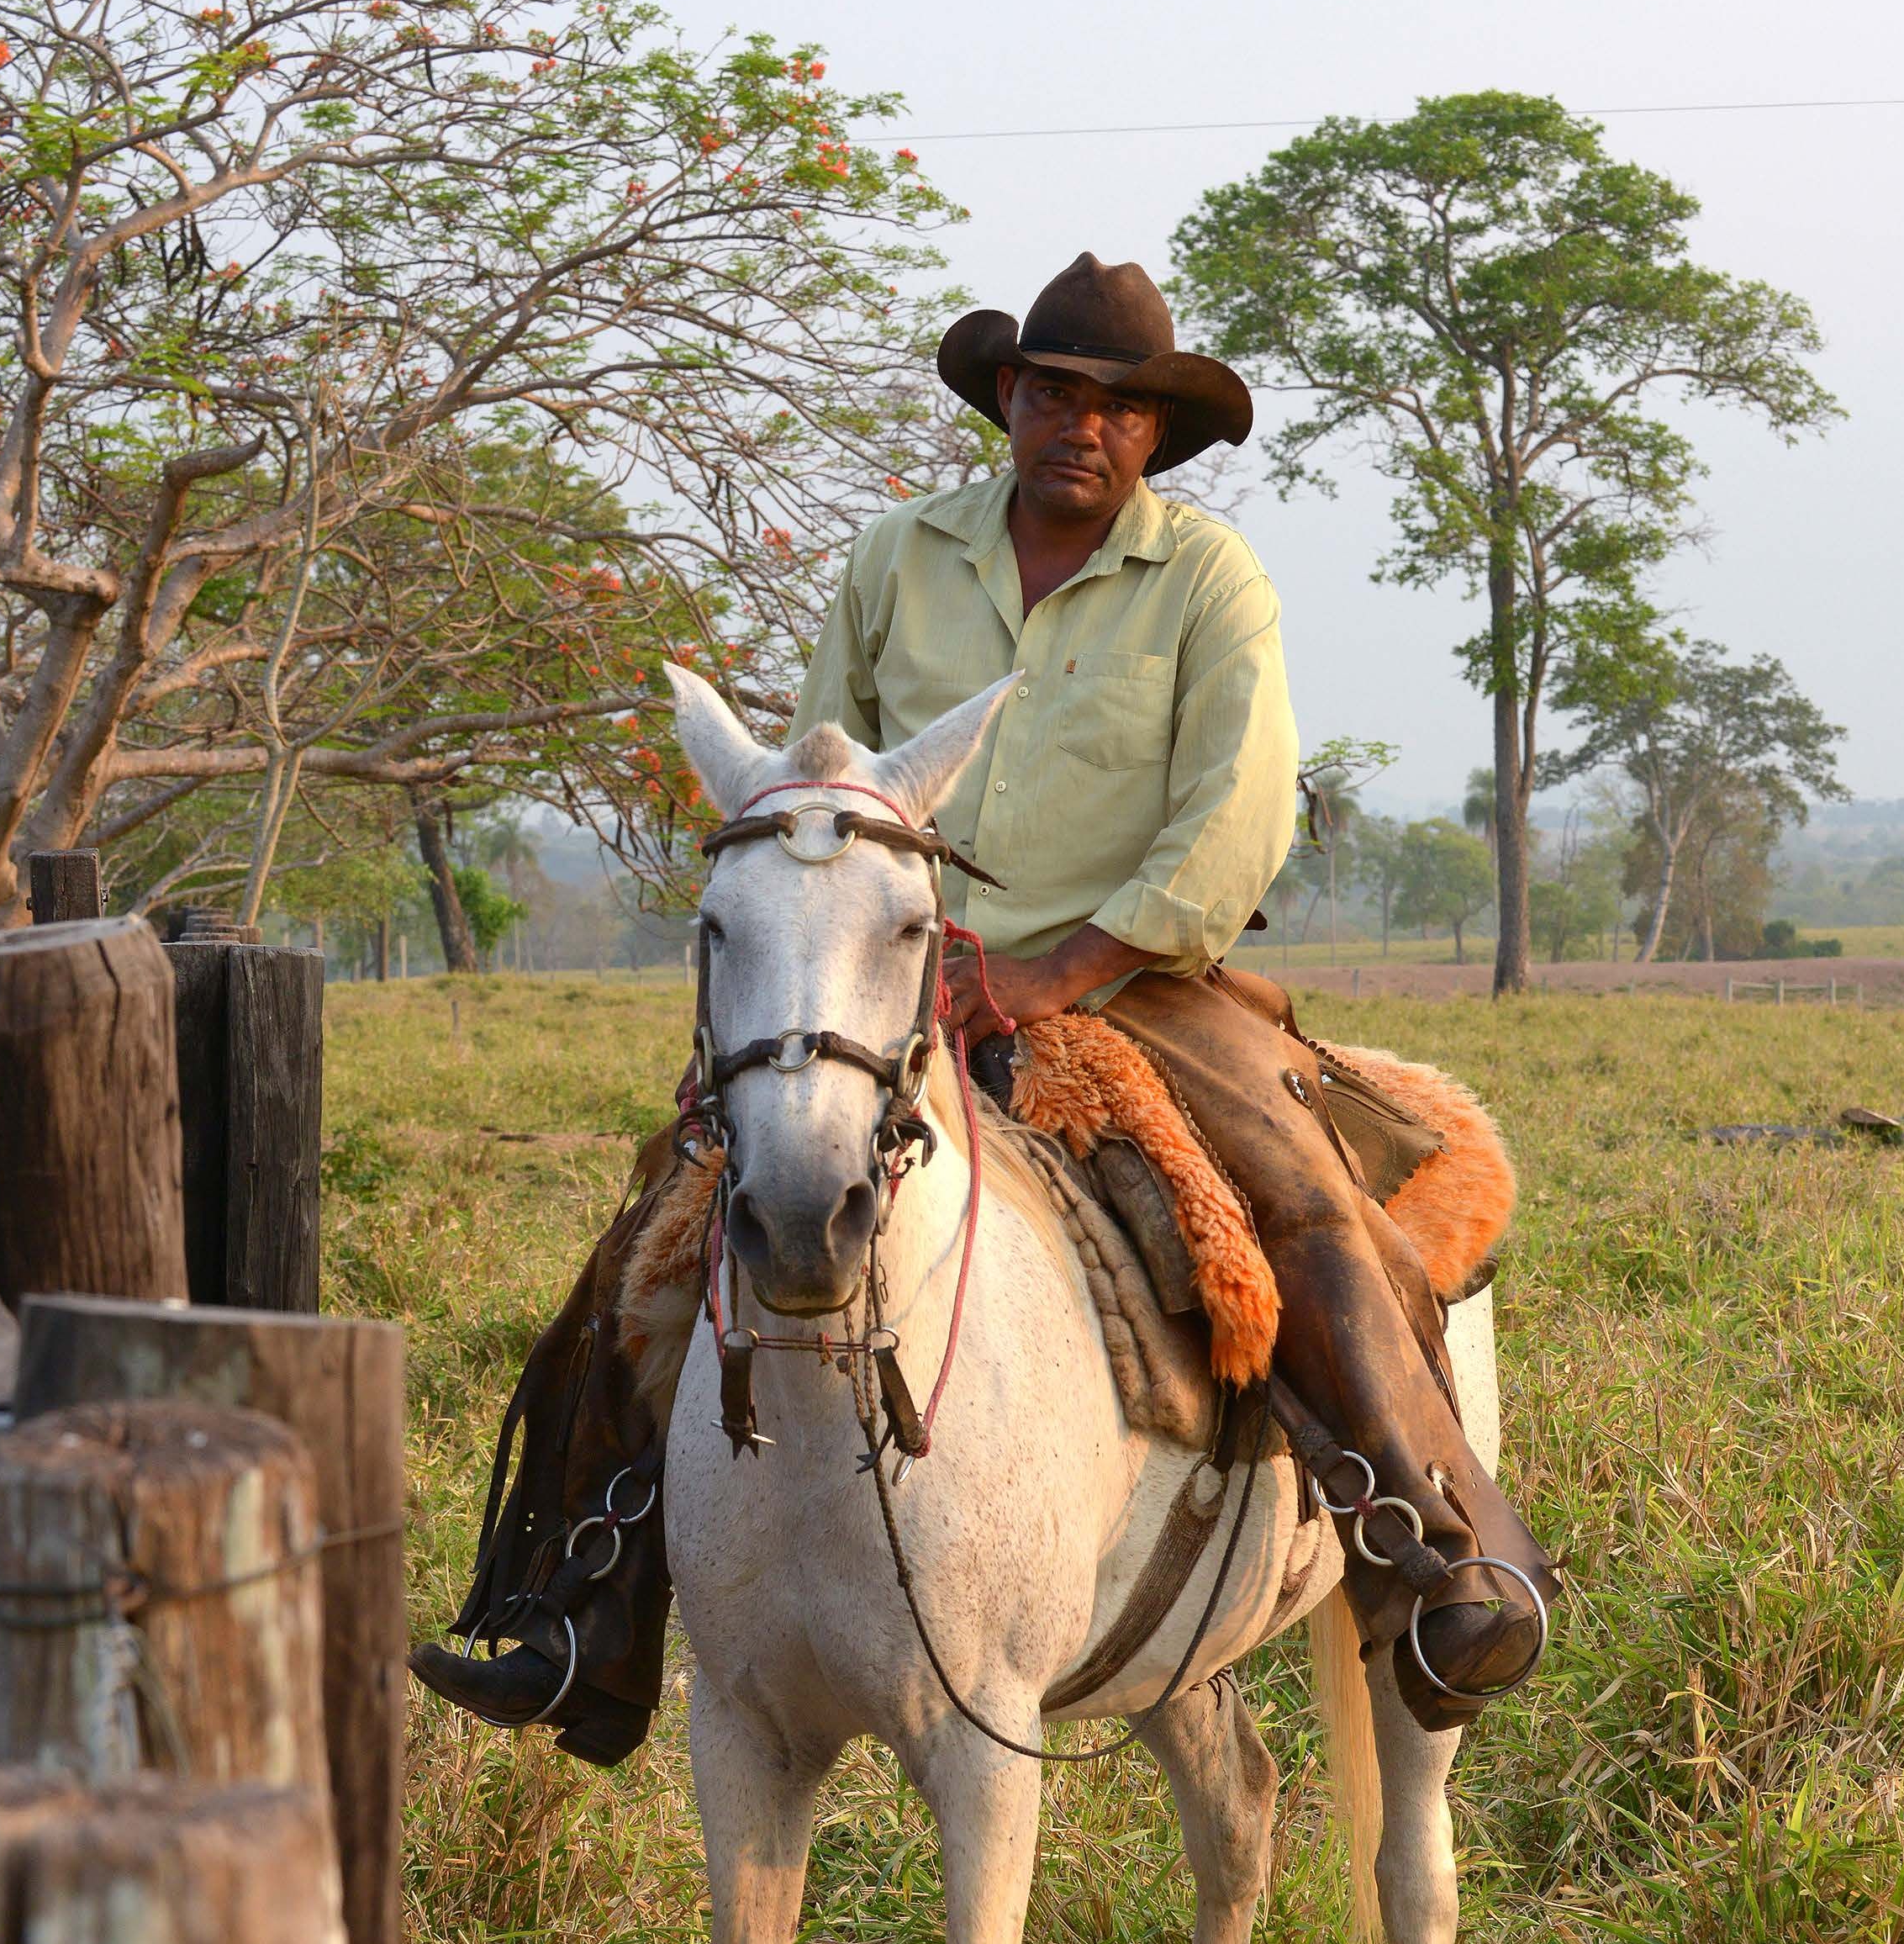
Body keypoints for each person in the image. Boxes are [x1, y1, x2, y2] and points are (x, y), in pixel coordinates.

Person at [411, 254, 1555, 1760]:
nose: (1080, 426)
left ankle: (1439, 1553)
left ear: (1155, 438)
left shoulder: (1209, 581)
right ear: (1008, 401)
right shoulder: (898, 558)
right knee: (667, 1218)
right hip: (892, 978)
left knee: (1299, 1204)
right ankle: (577, 1609)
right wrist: (877, 950)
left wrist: (1047, 970)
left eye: (1118, 409)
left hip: (1137, 979)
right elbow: (811, 794)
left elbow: (1236, 815)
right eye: (1051, 392)